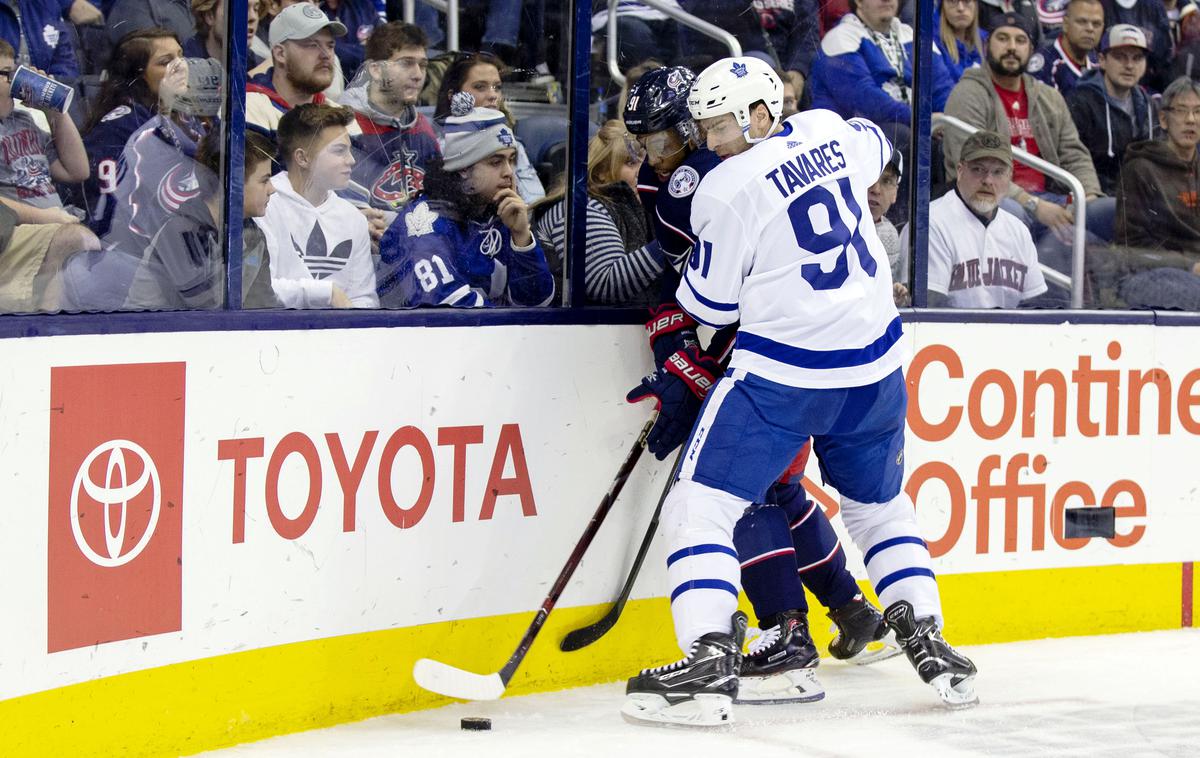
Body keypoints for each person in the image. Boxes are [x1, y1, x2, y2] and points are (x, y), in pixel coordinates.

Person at [621, 57, 977, 728]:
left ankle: (706, 659)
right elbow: (882, 144)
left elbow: (710, 306)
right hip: (873, 371)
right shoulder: (825, 128)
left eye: (722, 125)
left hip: (784, 377)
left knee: (698, 507)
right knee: (879, 509)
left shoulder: (723, 188)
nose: (712, 139)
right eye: (704, 127)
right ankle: (927, 636)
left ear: (761, 114)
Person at [944, 12, 1114, 255]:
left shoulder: (1049, 97)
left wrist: (1086, 196)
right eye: (1003, 38)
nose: (1012, 47)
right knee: (1011, 215)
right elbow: (974, 167)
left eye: (1020, 41)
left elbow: (1074, 153)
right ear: (986, 45)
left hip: (1052, 199)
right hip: (996, 197)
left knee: (1110, 212)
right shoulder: (968, 93)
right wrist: (1033, 204)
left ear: (1031, 50)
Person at [375, 96, 554, 308]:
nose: (508, 172)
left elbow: (537, 302)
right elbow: (450, 312)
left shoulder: (500, 213)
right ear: (463, 169)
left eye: (511, 159)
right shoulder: (423, 225)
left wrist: (522, 238)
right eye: (496, 162)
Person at [257, 102, 378, 308]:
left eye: (349, 151)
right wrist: (326, 293)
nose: (351, 161)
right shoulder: (264, 205)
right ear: (302, 158)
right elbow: (261, 289)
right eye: (339, 151)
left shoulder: (353, 218)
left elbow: (364, 299)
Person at [531, 120, 664, 306]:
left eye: (646, 161)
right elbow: (605, 284)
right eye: (631, 163)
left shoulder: (643, 205)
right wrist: (671, 242)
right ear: (601, 172)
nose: (642, 172)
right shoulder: (581, 209)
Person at [68, 28, 183, 238]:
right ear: (137, 76)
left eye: (181, 56)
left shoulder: (187, 117)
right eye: (166, 62)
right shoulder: (118, 128)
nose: (181, 67)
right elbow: (107, 212)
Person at [915, 130, 1048, 307]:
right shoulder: (931, 223)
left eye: (998, 172)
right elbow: (929, 310)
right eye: (978, 169)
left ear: (1009, 177)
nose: (988, 180)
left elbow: (1035, 305)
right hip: (949, 333)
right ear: (960, 171)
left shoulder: (1018, 230)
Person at [1114, 77, 1200, 308]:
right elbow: (1134, 243)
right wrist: (1189, 266)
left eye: (1198, 112)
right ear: (1163, 119)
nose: (1191, 120)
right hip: (1145, 274)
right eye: (1181, 111)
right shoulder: (1139, 169)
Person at [338, 22, 441, 213]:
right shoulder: (344, 125)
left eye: (423, 65)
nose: (418, 75)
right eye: (406, 63)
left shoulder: (424, 128)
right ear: (375, 70)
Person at [810, 0, 955, 127]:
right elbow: (866, 101)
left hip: (911, 125)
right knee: (903, 137)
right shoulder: (839, 38)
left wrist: (949, 121)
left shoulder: (912, 35)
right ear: (858, 1)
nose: (887, 0)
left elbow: (942, 88)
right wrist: (922, 121)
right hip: (853, 136)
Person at [433, 52, 545, 203]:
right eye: (480, 87)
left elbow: (535, 201)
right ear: (453, 95)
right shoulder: (437, 148)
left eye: (497, 87)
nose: (493, 95)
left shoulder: (511, 144)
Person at [1067, 24, 1158, 195]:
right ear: (1101, 60)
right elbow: (1074, 160)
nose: (1129, 65)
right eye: (1120, 57)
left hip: (1138, 195)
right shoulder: (1081, 101)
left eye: (1137, 58)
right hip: (1096, 194)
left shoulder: (1148, 104)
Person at [0, 42, 89, 213]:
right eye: (6, 73)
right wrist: (50, 219)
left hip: (59, 226)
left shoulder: (23, 120)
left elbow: (77, 171)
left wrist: (54, 110)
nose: (13, 81)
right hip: (25, 229)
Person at [246, 2, 349, 137]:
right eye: (312, 45)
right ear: (280, 54)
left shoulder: (340, 117)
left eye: (330, 46)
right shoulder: (248, 108)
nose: (326, 55)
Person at [1030, 0, 1104, 96]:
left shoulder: (1098, 63)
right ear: (1065, 24)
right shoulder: (1044, 65)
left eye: (1096, 24)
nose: (1090, 29)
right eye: (1082, 22)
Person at [869, 150, 908, 304]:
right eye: (870, 177)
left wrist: (893, 293)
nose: (876, 190)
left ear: (895, 194)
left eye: (886, 181)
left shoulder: (890, 234)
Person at [937, 0, 985, 86]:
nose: (960, 8)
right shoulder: (931, 43)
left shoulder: (987, 41)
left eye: (967, 1)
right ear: (942, 7)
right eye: (953, 1)